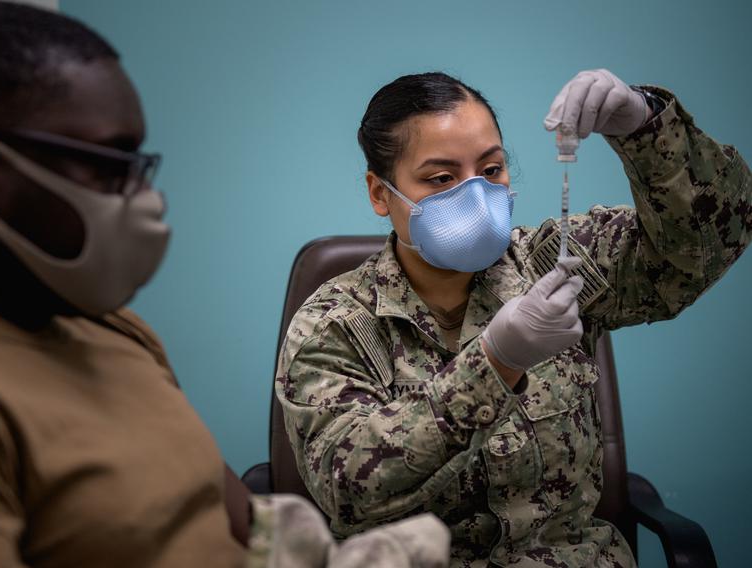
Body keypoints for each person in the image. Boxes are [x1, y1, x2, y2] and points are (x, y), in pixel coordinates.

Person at [0, 2, 451, 567]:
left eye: (141, 167)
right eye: (111, 164)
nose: (146, 199)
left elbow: (241, 530)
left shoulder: (107, 328)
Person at [276, 69, 751, 566]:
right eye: (441, 178)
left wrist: (646, 128)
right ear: (380, 193)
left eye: (491, 170)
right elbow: (348, 488)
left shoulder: (557, 262)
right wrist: (493, 364)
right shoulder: (335, 322)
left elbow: (705, 248)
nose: (474, 194)